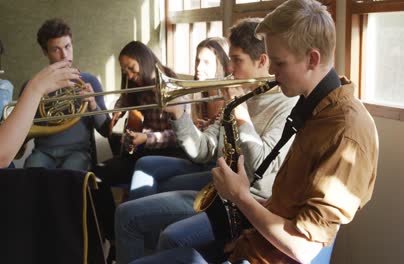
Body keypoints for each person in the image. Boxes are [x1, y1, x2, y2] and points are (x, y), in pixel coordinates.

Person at [131, 0, 379, 263]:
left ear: (312, 59)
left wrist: (240, 196)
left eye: (279, 63)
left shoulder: (345, 132)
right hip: (254, 244)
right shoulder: (315, 106)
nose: (271, 71)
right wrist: (246, 227)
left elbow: (303, 249)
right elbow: (288, 203)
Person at [114, 18, 298, 264]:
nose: (229, 68)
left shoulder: (286, 105)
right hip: (217, 189)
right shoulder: (242, 96)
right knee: (126, 212)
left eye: (236, 60)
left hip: (246, 205)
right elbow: (202, 149)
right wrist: (179, 116)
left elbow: (259, 169)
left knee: (170, 236)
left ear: (262, 61)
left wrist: (241, 115)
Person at [127, 36, 231, 201]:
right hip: (195, 158)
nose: (198, 67)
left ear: (222, 65)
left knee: (159, 183)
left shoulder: (228, 98)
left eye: (206, 62)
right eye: (197, 61)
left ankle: (137, 215)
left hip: (211, 165)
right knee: (144, 164)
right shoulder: (199, 95)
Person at [94, 40, 188, 186]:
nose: (130, 76)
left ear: (144, 60)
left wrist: (146, 138)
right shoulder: (140, 85)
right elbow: (125, 98)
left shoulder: (171, 85)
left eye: (132, 68)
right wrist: (119, 109)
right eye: (125, 72)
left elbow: (179, 136)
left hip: (172, 153)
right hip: (147, 149)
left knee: (114, 170)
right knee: (96, 174)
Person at [21, 18, 110, 171]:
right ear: (45, 52)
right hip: (43, 152)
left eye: (67, 46)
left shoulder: (89, 81)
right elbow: (21, 129)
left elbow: (105, 130)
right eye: (56, 49)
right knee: (31, 171)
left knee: (69, 176)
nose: (64, 55)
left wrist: (93, 105)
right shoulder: (34, 86)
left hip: (77, 153)